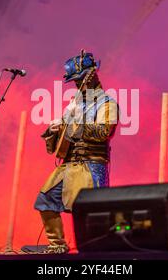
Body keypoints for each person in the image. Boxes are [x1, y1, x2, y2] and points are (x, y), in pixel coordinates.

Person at [34, 50, 119, 254]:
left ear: (91, 76)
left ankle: (96, 251)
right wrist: (53, 130)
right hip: (68, 165)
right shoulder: (73, 106)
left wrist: (77, 126)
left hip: (90, 165)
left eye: (78, 80)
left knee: (89, 211)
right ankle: (57, 245)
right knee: (45, 200)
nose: (76, 85)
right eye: (74, 81)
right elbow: (60, 140)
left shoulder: (107, 103)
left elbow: (104, 131)